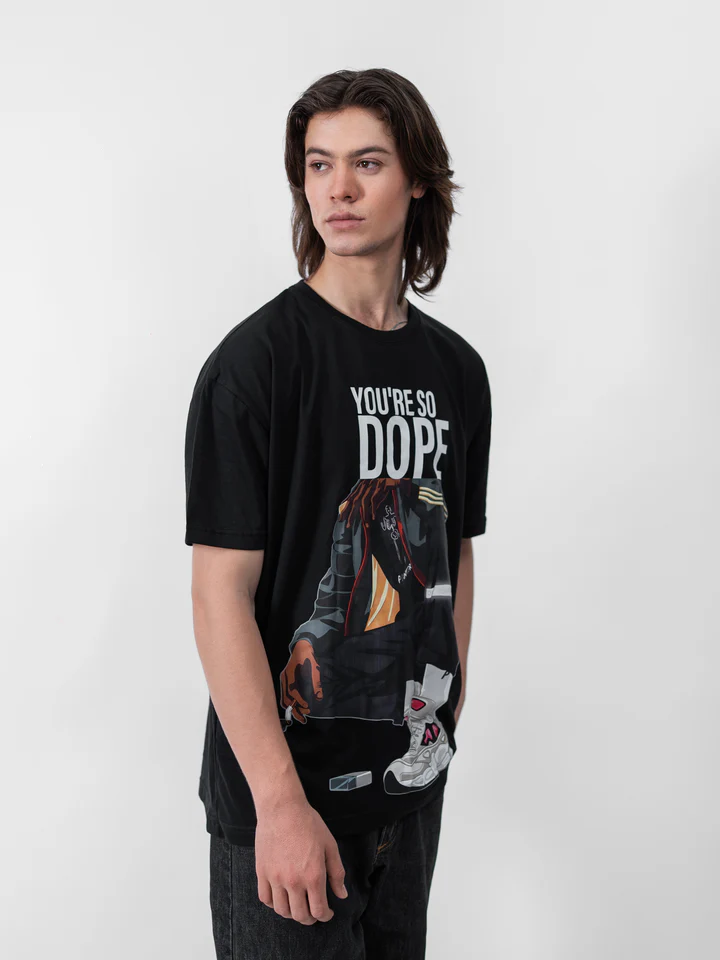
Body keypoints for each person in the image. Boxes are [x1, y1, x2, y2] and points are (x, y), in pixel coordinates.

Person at [184, 67, 493, 960]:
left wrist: (444, 717)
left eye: (367, 162)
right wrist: (280, 806)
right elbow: (218, 596)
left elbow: (455, 552)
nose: (339, 189)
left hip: (408, 793)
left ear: (418, 179)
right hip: (288, 810)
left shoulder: (457, 370)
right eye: (319, 165)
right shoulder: (256, 365)